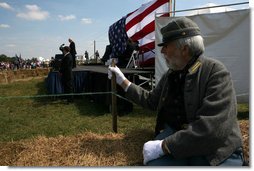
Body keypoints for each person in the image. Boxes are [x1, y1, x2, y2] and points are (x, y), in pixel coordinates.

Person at [108, 17, 244, 166]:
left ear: (184, 49)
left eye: (166, 45)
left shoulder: (215, 72)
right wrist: (122, 81)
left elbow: (211, 129)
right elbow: (151, 101)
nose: (162, 50)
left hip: (214, 149)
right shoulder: (171, 74)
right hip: (176, 136)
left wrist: (164, 146)